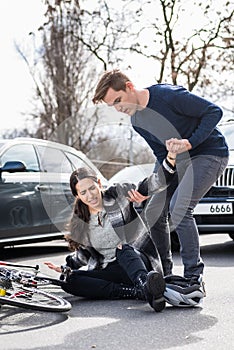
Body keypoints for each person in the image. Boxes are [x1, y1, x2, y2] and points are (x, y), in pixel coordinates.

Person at [92, 69, 229, 292]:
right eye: (113, 106)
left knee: (180, 209)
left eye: (118, 101)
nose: (119, 109)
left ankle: (194, 279)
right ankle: (166, 275)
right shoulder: (137, 122)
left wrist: (189, 143)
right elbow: (161, 156)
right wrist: (151, 187)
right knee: (154, 210)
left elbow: (213, 112)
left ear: (129, 87)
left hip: (210, 154)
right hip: (180, 162)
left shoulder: (167, 96)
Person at [45, 157, 177, 313]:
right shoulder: (82, 221)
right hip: (112, 271)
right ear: (77, 196)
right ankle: (135, 292)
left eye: (92, 188)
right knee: (69, 279)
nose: (90, 195)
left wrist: (169, 161)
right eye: (83, 192)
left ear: (99, 184)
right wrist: (65, 267)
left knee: (122, 249)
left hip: (137, 263)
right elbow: (83, 255)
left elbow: (146, 186)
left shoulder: (117, 195)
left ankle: (144, 285)